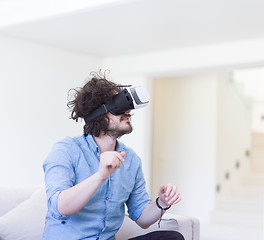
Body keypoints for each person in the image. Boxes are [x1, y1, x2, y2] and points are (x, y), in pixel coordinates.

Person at [42, 71, 183, 240]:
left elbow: (142, 218)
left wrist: (163, 203)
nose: (128, 112)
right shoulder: (66, 150)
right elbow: (59, 207)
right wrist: (100, 175)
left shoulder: (130, 159)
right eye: (119, 107)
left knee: (171, 237)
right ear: (99, 113)